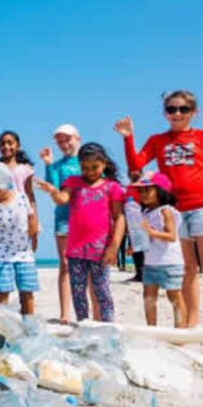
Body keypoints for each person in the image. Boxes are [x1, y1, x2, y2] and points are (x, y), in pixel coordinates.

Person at [116, 91, 203, 349]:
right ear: (165, 112)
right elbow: (135, 166)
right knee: (187, 268)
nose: (177, 114)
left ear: (193, 112)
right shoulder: (158, 140)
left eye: (183, 109)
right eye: (172, 109)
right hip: (177, 209)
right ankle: (190, 324)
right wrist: (128, 137)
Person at [37, 143, 126, 322]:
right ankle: (83, 325)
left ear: (104, 164)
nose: (90, 171)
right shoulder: (73, 182)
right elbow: (62, 200)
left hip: (100, 250)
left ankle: (107, 326)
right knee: (78, 292)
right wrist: (53, 191)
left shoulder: (112, 187)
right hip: (76, 250)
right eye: (85, 168)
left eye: (95, 167)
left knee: (102, 291)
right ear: (79, 166)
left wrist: (114, 247)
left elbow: (119, 218)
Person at [0, 162, 38, 314]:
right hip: (0, 256)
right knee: (2, 291)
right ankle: (4, 324)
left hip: (24, 255)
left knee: (27, 292)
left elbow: (31, 217)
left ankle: (29, 324)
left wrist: (34, 235)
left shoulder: (21, 197)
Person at [130, 172, 187, 327]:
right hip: (150, 263)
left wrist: (151, 232)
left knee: (174, 296)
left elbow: (172, 236)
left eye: (147, 190)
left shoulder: (166, 211)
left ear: (160, 190)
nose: (143, 194)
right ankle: (151, 328)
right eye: (140, 191)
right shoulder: (145, 213)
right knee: (148, 297)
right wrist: (135, 247)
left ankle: (180, 329)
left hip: (169, 262)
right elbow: (146, 239)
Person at [40, 123, 83, 322]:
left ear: (77, 138)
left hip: (88, 218)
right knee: (65, 265)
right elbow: (53, 189)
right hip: (64, 219)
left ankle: (90, 312)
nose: (64, 144)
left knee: (90, 265)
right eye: (60, 141)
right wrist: (48, 164)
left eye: (68, 139)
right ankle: (65, 314)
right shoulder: (57, 166)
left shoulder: (88, 161)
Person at [123, 170, 150, 282]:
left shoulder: (145, 185)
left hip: (143, 220)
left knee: (145, 248)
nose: (133, 173)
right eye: (131, 171)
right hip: (132, 223)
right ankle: (139, 274)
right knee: (134, 248)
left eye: (136, 171)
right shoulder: (128, 187)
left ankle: (147, 274)